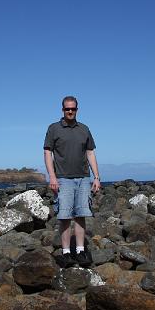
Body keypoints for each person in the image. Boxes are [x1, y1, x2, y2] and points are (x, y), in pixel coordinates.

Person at [44, 95, 101, 267]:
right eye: (67, 109)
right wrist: (52, 176)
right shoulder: (54, 128)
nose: (70, 111)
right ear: (62, 110)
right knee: (64, 216)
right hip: (63, 179)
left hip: (83, 177)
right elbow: (48, 153)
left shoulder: (84, 129)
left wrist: (96, 177)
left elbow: (90, 153)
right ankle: (67, 252)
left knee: (81, 215)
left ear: (77, 109)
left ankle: (81, 250)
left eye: (73, 109)